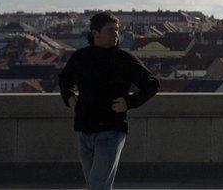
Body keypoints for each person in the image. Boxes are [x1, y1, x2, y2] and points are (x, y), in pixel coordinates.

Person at [58, 12, 160, 190]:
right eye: (110, 30)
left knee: (98, 185)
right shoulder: (81, 57)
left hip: (111, 129)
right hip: (84, 129)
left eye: (117, 29)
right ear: (95, 33)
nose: (116, 34)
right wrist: (69, 98)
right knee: (95, 184)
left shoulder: (124, 59)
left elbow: (152, 84)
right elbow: (64, 80)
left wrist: (129, 102)